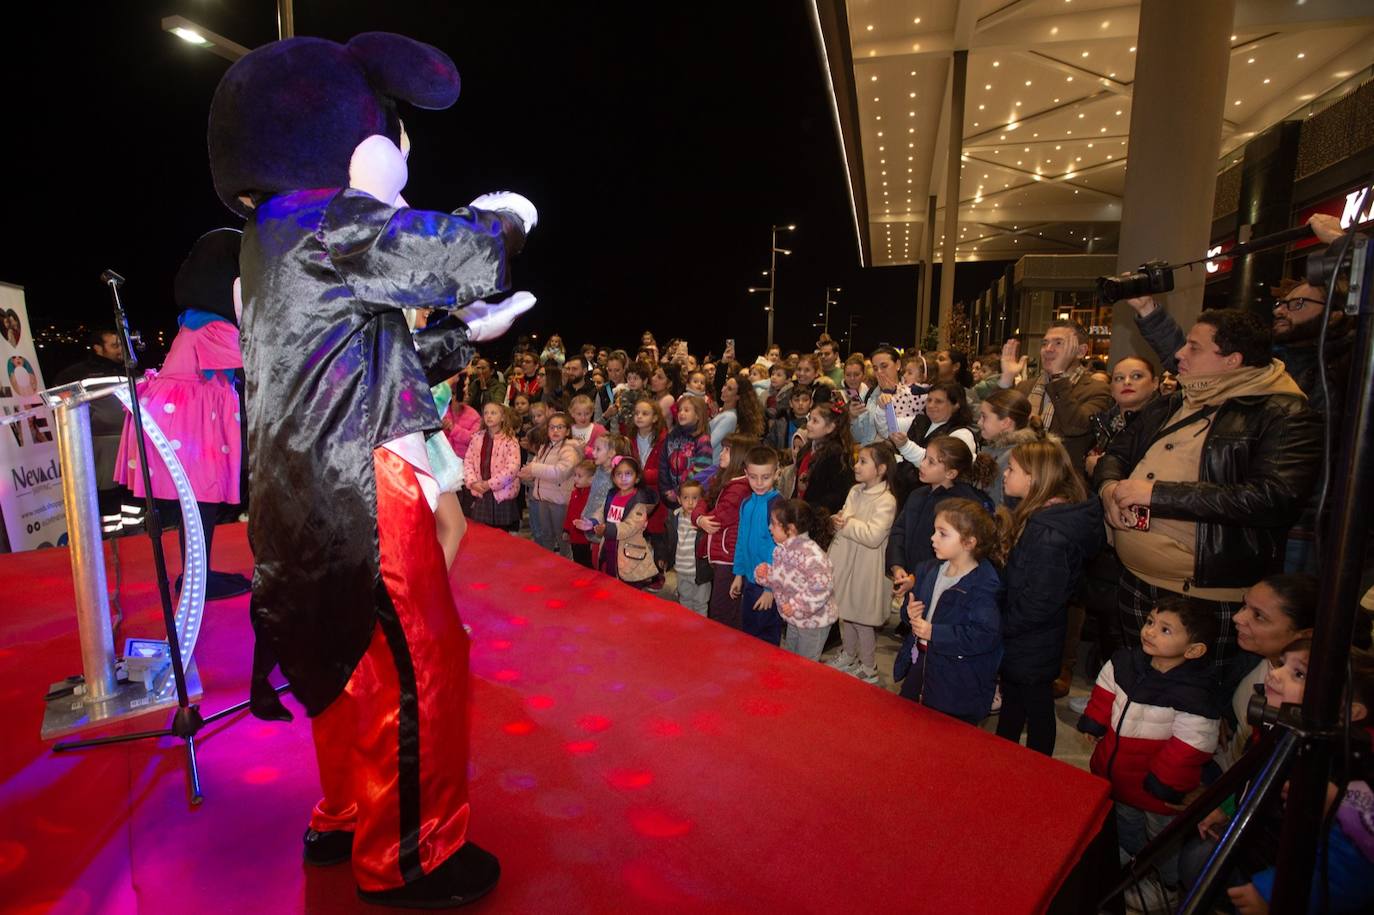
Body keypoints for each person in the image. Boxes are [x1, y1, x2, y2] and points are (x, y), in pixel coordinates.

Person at [208, 31, 537, 903]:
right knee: (421, 656)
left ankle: (347, 810)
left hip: (297, 493)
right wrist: (508, 217)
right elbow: (461, 254)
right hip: (361, 485)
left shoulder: (263, 242)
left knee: (339, 659)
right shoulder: (329, 218)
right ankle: (411, 852)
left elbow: (366, 362)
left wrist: (469, 334)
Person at [1093, 309, 1322, 673]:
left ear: (1232, 359)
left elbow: (1273, 498)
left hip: (1203, 597)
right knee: (1137, 680)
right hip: (1137, 579)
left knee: (1189, 695)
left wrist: (1157, 495)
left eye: (1194, 347)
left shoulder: (1283, 412)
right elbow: (1117, 453)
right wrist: (1108, 490)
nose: (1179, 353)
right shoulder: (1175, 401)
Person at [114, 229, 251, 600]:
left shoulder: (196, 320)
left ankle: (197, 577)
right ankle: (197, 581)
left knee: (198, 505)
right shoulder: (213, 327)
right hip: (188, 426)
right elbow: (257, 359)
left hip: (185, 421)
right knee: (199, 503)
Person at [1076, 597, 1221, 897]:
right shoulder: (1126, 663)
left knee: (1162, 839)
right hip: (1120, 778)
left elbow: (1192, 743)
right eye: (1150, 622)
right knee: (1126, 824)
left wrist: (1165, 784)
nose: (1150, 631)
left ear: (1194, 650)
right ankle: (1134, 867)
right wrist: (1095, 721)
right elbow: (1106, 687)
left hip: (1156, 791)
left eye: (1165, 630)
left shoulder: (1194, 694)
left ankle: (1167, 886)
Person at [997, 438, 1105, 756]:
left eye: (1012, 469)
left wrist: (1000, 625)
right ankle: (1001, 757)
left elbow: (1040, 600)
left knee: (1035, 708)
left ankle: (1037, 768)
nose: (1005, 474)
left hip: (1031, 638)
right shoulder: (1041, 519)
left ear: (1034, 478)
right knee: (1015, 702)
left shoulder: (1049, 533)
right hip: (1029, 636)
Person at [898, 498, 1004, 724]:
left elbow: (984, 636)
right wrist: (910, 613)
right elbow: (911, 616)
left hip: (955, 679)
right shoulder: (928, 570)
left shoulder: (982, 586)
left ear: (969, 542)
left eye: (942, 533)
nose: (933, 538)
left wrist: (934, 633)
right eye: (934, 531)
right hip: (921, 664)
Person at [827, 441, 899, 685]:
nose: (856, 466)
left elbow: (874, 536)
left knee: (862, 618)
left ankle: (869, 666)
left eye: (863, 462)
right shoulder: (855, 491)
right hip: (847, 559)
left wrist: (846, 524)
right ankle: (849, 654)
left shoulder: (886, 500)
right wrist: (837, 520)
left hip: (866, 566)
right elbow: (845, 514)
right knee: (847, 612)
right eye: (857, 461)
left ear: (881, 469)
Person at [998, 321, 1113, 474]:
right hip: (1018, 474)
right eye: (1045, 343)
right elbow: (993, 426)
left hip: (1064, 479)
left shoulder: (1097, 390)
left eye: (1058, 343)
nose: (1048, 349)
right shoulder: (1026, 387)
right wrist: (1006, 379)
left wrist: (1058, 376)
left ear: (1080, 351)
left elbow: (1075, 427)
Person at [754, 498, 838, 661]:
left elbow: (821, 588)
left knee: (806, 664)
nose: (770, 528)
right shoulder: (781, 550)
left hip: (814, 622)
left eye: (774, 524)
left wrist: (796, 605)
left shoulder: (812, 556)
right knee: (792, 657)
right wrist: (765, 575)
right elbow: (783, 580)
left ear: (791, 529)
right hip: (794, 618)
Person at [699, 433, 757, 630]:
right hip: (721, 556)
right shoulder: (725, 479)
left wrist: (700, 518)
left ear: (740, 456)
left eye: (727, 450)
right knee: (721, 609)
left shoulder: (739, 488)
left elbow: (716, 519)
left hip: (729, 559)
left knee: (722, 612)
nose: (721, 453)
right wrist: (699, 518)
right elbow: (702, 501)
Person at [729, 445, 784, 645]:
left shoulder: (778, 505)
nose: (759, 483)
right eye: (753, 477)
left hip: (769, 585)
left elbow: (781, 550)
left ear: (776, 474)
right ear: (746, 474)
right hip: (750, 582)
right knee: (749, 631)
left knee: (767, 636)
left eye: (765, 477)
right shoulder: (746, 504)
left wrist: (770, 589)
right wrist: (738, 573)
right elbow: (741, 539)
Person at [1083, 355, 1159, 478]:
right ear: (1112, 389)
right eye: (1119, 378)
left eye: (1137, 376)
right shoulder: (1100, 423)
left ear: (1155, 383)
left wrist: (1102, 466)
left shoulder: (1163, 424)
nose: (1127, 382)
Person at [592, 456, 659, 588]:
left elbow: (630, 526)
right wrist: (592, 522)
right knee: (610, 584)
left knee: (627, 590)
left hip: (629, 554)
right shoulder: (612, 495)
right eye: (619, 474)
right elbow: (602, 511)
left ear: (637, 478)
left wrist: (607, 529)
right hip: (609, 547)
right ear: (613, 478)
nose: (623, 478)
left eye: (628, 474)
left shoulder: (639, 502)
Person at [519, 411, 579, 555]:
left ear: (567, 431)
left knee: (562, 537)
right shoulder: (544, 448)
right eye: (552, 427)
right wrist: (527, 474)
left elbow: (560, 472)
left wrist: (534, 469)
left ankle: (566, 563)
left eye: (560, 427)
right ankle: (548, 561)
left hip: (559, 501)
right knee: (546, 535)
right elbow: (536, 468)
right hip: (543, 499)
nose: (555, 431)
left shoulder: (569, 449)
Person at [465, 402, 524, 533]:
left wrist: (490, 484)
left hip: (501, 495)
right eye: (486, 413)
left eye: (493, 413)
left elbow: (512, 468)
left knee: (501, 535)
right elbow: (468, 461)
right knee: (482, 534)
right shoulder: (477, 438)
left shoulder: (510, 440)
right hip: (481, 493)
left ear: (502, 417)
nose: (489, 416)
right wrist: (472, 482)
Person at [976, 388, 1041, 507]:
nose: (979, 422)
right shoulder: (996, 448)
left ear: (1006, 423)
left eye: (984, 417)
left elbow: (1006, 508)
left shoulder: (1015, 457)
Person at [890, 381, 977, 466]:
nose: (931, 405)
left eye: (938, 401)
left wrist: (905, 446)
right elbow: (888, 426)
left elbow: (939, 465)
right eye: (929, 400)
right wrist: (885, 407)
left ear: (956, 405)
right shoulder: (920, 421)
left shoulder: (962, 434)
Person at [794, 399, 854, 514]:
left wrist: (809, 509)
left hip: (818, 515)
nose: (808, 424)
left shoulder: (836, 455)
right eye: (809, 419)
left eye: (815, 421)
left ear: (830, 427)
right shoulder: (807, 449)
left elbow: (837, 495)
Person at [664, 478, 712, 615]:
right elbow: (670, 541)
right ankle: (687, 625)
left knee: (701, 603)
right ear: (679, 499)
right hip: (681, 570)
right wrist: (665, 558)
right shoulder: (674, 517)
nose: (690, 503)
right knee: (685, 601)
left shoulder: (704, 520)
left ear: (701, 500)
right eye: (686, 498)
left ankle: (701, 626)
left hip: (700, 571)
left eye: (695, 498)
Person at [709, 375, 764, 464]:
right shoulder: (722, 412)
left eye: (729, 389)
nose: (723, 390)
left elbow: (709, 443)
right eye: (725, 385)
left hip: (710, 464)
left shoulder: (729, 417)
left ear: (738, 396)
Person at [563, 459, 596, 567]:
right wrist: (566, 530)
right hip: (575, 537)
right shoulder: (575, 493)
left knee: (588, 565)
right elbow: (570, 513)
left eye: (579, 476)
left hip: (586, 539)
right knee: (577, 563)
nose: (575, 478)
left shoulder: (592, 497)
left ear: (591, 479)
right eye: (575, 475)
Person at [565, 393, 605, 459]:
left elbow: (604, 453)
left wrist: (585, 449)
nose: (583, 418)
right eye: (579, 414)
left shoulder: (599, 430)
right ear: (572, 413)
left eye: (587, 414)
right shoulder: (567, 430)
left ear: (592, 412)